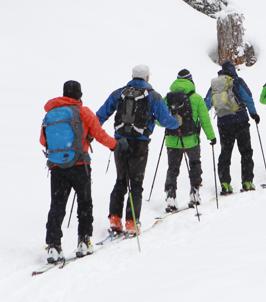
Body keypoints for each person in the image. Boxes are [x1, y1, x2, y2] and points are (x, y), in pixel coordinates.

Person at [40, 80, 125, 263]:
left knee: (57, 206)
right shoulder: (83, 112)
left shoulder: (51, 114)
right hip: (80, 166)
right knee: (84, 204)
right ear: (79, 94)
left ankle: (53, 246)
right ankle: (84, 241)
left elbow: (43, 141)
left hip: (56, 168)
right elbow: (100, 134)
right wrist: (116, 145)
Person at [96, 64, 180, 234]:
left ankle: (115, 219)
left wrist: (96, 133)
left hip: (119, 142)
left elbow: (100, 115)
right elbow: (164, 120)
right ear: (147, 77)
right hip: (140, 143)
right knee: (136, 183)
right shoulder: (154, 96)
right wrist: (177, 121)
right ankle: (131, 223)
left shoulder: (118, 93)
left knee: (121, 180)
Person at [163, 69, 216, 212]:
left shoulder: (167, 98)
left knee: (173, 167)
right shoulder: (197, 98)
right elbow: (205, 121)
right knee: (194, 164)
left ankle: (170, 197)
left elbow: (159, 120)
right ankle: (194, 193)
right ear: (191, 80)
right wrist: (211, 137)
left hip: (172, 139)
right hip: (191, 139)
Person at [204, 61, 259, 194]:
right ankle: (247, 181)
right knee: (245, 151)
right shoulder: (237, 81)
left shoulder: (216, 85)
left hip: (223, 123)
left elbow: (206, 104)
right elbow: (248, 98)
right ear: (233, 70)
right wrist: (253, 113)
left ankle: (225, 183)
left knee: (225, 152)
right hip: (240, 121)